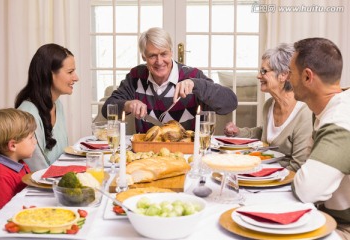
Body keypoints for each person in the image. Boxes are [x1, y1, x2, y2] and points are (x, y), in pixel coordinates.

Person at [101, 27, 238, 133]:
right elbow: (107, 110)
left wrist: (196, 84)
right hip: (148, 154)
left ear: (171, 52)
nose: (159, 61)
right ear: (143, 56)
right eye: (152, 56)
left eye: (164, 54)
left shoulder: (193, 75)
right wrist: (128, 105)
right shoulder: (136, 76)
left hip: (189, 153)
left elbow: (230, 103)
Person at [289, 38, 350, 239]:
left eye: (290, 73)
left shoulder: (340, 119)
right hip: (326, 216)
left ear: (307, 77)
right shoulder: (328, 111)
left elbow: (308, 190)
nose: (287, 80)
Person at [224, 43, 313, 172]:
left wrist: (263, 175)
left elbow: (298, 166)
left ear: (284, 75)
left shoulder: (304, 113)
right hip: (263, 173)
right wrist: (238, 132)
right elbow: (264, 132)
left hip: (285, 182)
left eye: (264, 71)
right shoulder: (269, 105)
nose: (258, 76)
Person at [15, 43, 79, 172]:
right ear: (49, 74)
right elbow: (37, 170)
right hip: (41, 186)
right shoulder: (27, 114)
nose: (76, 78)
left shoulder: (58, 105)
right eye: (70, 72)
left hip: (58, 181)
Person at [0, 108, 37, 217]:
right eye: (31, 138)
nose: (35, 142)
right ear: (12, 145)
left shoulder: (19, 162)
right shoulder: (0, 177)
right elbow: (4, 216)